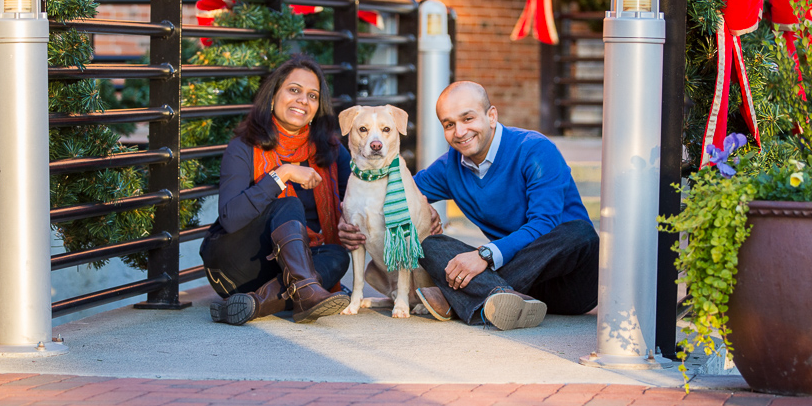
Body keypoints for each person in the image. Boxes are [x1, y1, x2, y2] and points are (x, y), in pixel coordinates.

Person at [339, 81, 598, 331]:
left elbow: (544, 224)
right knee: (429, 244)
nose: (460, 131)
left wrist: (484, 256)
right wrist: (348, 218)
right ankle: (497, 297)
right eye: (449, 124)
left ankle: (459, 299)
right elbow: (403, 191)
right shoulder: (450, 167)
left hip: (571, 284)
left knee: (579, 232)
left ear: (491, 116)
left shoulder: (535, 150)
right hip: (518, 283)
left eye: (468, 118)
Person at [200, 54, 352, 326]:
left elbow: (357, 198)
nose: (303, 100)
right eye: (294, 90)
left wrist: (352, 226)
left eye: (312, 96)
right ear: (273, 97)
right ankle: (307, 290)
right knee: (288, 205)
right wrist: (282, 174)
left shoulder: (331, 151)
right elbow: (230, 218)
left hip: (282, 272)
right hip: (235, 263)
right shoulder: (244, 146)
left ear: (318, 107)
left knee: (337, 256)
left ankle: (256, 304)